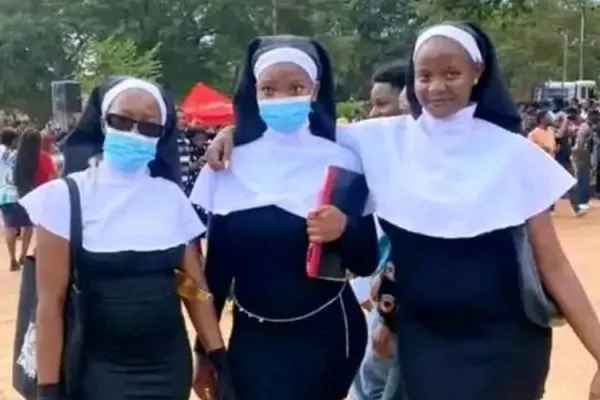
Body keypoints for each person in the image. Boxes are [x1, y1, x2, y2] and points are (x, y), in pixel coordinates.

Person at [205, 22, 600, 400]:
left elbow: (555, 267)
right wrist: (234, 133)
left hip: (507, 343)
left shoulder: (515, 155)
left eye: (451, 73)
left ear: (477, 71)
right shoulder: (382, 142)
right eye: (424, 75)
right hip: (424, 341)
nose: (436, 87)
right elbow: (298, 136)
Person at [19, 77, 235, 400]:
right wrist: (47, 391)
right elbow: (51, 303)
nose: (134, 132)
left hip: (167, 368)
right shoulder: (64, 198)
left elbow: (190, 287)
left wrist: (218, 357)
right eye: (122, 120)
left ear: (161, 136)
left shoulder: (170, 198)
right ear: (103, 123)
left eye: (149, 126)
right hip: (96, 370)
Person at [190, 36, 379, 400]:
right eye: (269, 90)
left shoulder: (343, 158)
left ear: (315, 90)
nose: (282, 98)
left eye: (296, 88)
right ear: (254, 93)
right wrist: (204, 350)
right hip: (253, 337)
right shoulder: (228, 164)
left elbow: (366, 260)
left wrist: (344, 228)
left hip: (327, 337)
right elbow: (216, 272)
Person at [0, 127, 26, 271]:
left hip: (3, 194)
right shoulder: (17, 153)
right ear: (13, 140)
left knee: (9, 227)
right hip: (18, 192)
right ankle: (23, 255)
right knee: (28, 224)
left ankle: (12, 259)